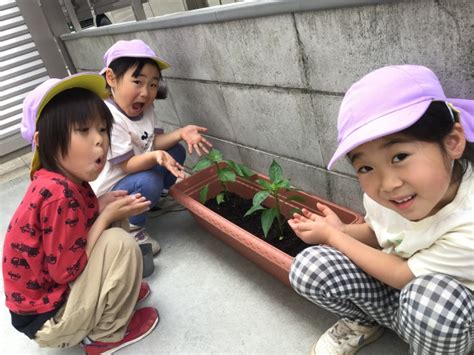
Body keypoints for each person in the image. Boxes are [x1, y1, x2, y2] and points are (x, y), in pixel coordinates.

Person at [288, 65, 474, 355]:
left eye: (399, 156)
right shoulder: (386, 196)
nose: (387, 183)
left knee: (430, 301)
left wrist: (334, 237)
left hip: (446, 317)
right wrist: (344, 231)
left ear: (452, 142)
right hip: (400, 301)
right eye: (365, 167)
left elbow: (402, 274)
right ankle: (364, 322)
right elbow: (381, 233)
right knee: (309, 267)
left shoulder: (469, 219)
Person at [3, 73, 159, 354]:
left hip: (50, 303)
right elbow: (66, 271)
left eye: (102, 129)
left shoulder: (60, 180)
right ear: (44, 142)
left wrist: (103, 207)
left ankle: (111, 299)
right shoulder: (58, 194)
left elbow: (74, 233)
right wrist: (105, 216)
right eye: (84, 131)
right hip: (51, 318)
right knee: (118, 241)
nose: (99, 140)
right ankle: (105, 334)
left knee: (112, 204)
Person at [91, 39, 212, 255]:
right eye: (138, 81)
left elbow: (153, 142)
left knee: (176, 151)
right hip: (114, 189)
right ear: (111, 78)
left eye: (153, 84)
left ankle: (154, 202)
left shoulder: (146, 108)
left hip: (136, 173)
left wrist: (181, 133)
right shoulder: (109, 117)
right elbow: (127, 164)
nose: (146, 92)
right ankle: (132, 227)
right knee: (150, 180)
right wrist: (156, 155)